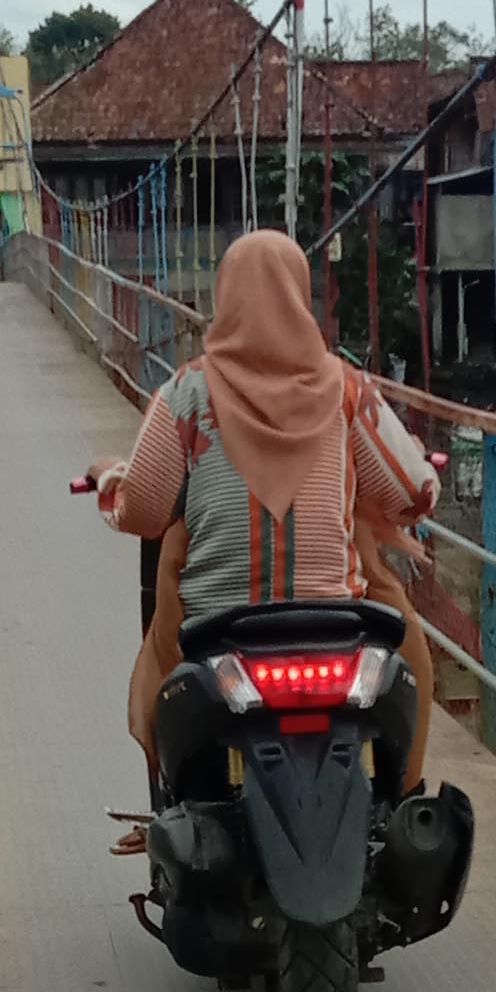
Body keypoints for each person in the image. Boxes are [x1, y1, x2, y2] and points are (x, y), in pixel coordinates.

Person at [96, 231, 439, 801]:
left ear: (224, 297)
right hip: (338, 631)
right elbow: (412, 497)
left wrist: (112, 481)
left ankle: (171, 796)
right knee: (411, 653)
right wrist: (421, 473)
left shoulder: (186, 394)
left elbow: (145, 514)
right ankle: (406, 803)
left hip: (217, 634)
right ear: (301, 297)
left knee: (163, 663)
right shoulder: (346, 391)